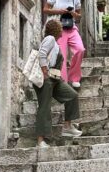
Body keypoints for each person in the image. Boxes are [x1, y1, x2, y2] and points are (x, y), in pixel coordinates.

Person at [35, 18, 81, 148]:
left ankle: (67, 126)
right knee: (44, 107)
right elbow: (42, 54)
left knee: (72, 95)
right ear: (55, 29)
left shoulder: (54, 42)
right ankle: (40, 141)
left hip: (55, 78)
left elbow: (52, 57)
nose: (62, 29)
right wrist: (45, 73)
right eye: (60, 27)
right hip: (47, 78)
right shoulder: (50, 39)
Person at [43, 0, 85, 88]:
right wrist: (60, 11)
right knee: (61, 55)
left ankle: (74, 77)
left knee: (80, 49)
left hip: (71, 27)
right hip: (58, 28)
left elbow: (79, 16)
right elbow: (45, 10)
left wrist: (73, 14)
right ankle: (63, 82)